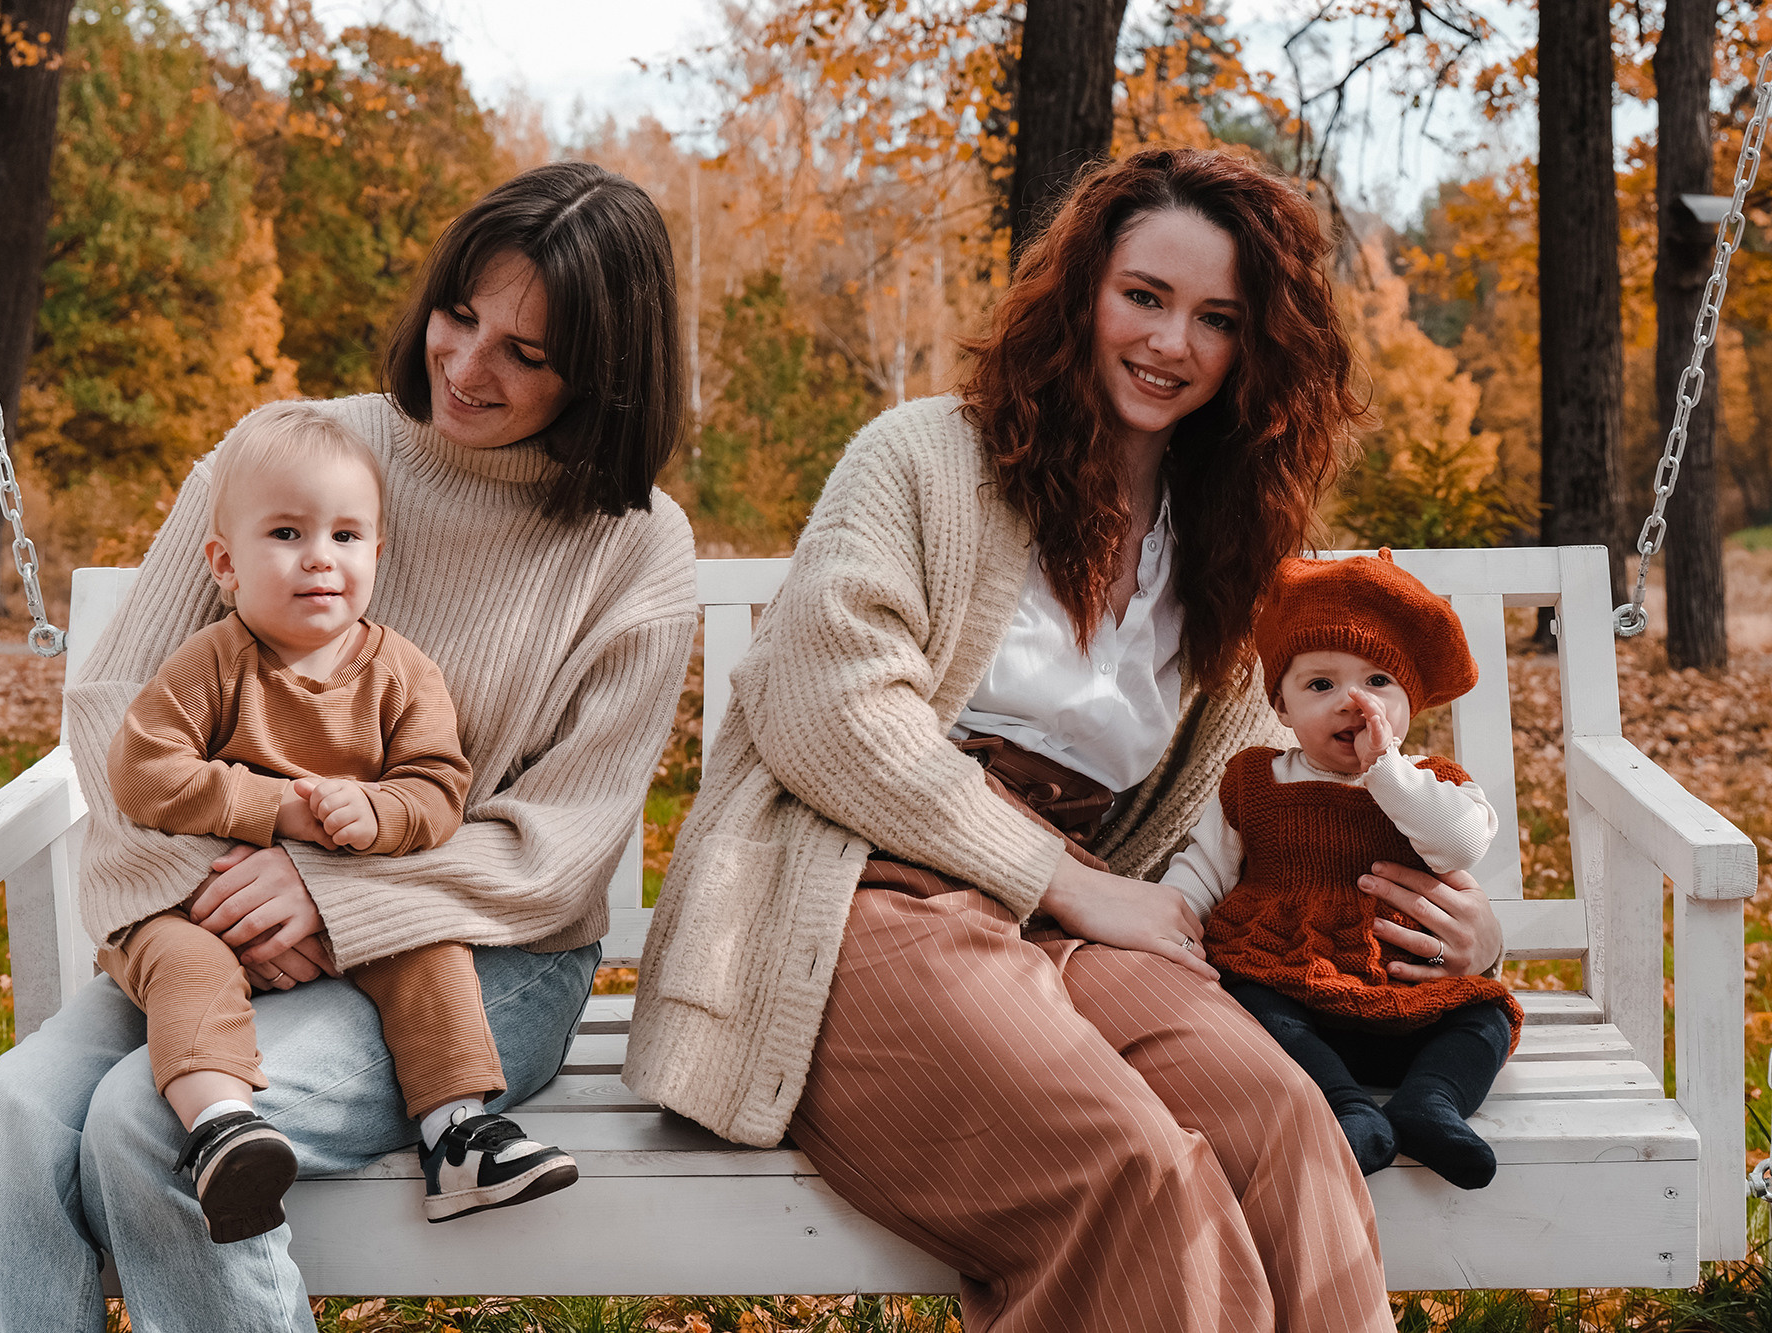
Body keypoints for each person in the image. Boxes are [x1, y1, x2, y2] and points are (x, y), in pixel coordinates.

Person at [626, 147, 1507, 1333]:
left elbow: (1288, 798)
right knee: (1137, 1174)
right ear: (1081, 290)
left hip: (1079, 921)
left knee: (1287, 1129)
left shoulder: (1228, 541)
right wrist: (1062, 881)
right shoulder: (923, 458)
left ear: (1255, 348)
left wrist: (1467, 932)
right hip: (859, 899)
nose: (1170, 342)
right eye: (1142, 295)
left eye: (1216, 318)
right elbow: (824, 708)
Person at [0, 162, 698, 1333]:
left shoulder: (633, 545)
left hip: (477, 956)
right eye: (458, 314)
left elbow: (561, 844)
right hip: (216, 922)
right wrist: (225, 889)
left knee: (152, 1122)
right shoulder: (292, 456)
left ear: (603, 371)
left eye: (524, 352)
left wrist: (331, 893)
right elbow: (115, 709)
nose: (465, 365)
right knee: (11, 1114)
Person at [99, 399, 577, 1244]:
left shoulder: (402, 674)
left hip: (350, 918)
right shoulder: (213, 663)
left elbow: (438, 792)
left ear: (376, 554)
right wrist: (275, 806)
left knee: (426, 948)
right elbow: (141, 771)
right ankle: (221, 1128)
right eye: (287, 533)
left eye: (346, 535)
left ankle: (457, 1132)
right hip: (209, 909)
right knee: (183, 961)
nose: (320, 557)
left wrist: (377, 810)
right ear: (225, 563)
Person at [1158, 552, 1523, 1190]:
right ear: (1282, 704)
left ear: (1411, 702)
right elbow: (1203, 869)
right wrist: (1171, 923)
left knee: (1486, 1016)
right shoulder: (1256, 780)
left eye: (1378, 681)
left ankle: (1431, 1102)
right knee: (1246, 1002)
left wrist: (1387, 772)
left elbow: (1460, 846)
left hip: (1410, 995)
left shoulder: (1433, 784)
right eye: (1320, 685)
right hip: (1291, 990)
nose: (1353, 703)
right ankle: (1346, 1108)